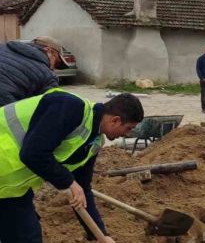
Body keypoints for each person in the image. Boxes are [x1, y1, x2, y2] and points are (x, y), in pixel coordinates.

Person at [0, 89, 144, 242]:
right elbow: (33, 154)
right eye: (128, 128)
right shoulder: (69, 107)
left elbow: (83, 190)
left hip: (10, 190)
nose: (127, 134)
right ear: (115, 120)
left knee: (28, 237)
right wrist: (69, 182)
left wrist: (101, 235)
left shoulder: (93, 143)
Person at [0, 36, 64, 106]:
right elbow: (53, 106)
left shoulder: (2, 47)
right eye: (57, 62)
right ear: (48, 51)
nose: (54, 68)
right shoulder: (47, 75)